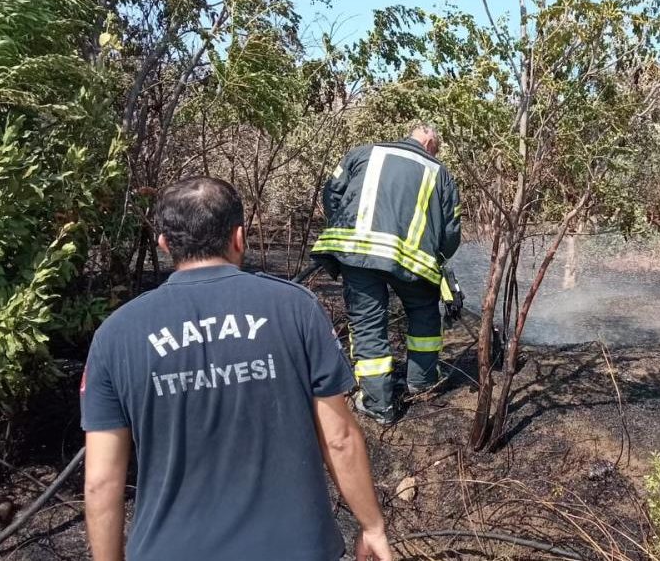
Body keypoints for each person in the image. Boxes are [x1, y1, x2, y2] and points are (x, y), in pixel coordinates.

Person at [81, 177, 392, 561]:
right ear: (239, 236)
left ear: (164, 245)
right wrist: (372, 527)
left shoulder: (116, 334)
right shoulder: (296, 309)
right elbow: (340, 437)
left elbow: (100, 483)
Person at [311, 123, 462, 425]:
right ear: (429, 141)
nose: (436, 152)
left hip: (360, 257)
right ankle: (422, 381)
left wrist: (345, 231)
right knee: (424, 317)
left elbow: (332, 193)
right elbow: (450, 231)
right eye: (438, 147)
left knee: (367, 325)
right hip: (413, 264)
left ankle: (378, 405)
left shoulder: (362, 153)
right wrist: (438, 257)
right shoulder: (440, 173)